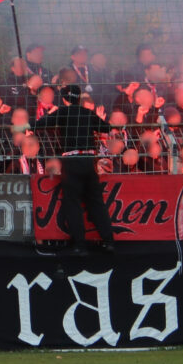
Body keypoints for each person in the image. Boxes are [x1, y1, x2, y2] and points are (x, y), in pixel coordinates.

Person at [33, 83, 115, 256]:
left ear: (63, 99)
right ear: (78, 98)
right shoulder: (87, 112)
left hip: (71, 161)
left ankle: (80, 245)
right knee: (96, 202)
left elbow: (40, 123)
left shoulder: (62, 112)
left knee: (73, 203)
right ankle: (109, 241)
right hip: (89, 160)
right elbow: (106, 128)